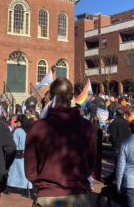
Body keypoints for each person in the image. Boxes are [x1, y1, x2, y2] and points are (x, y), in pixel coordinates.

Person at [25, 78, 96, 206]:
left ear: (51, 97)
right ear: (71, 97)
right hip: (77, 195)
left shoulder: (37, 128)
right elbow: (91, 163)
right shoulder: (86, 126)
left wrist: (44, 184)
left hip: (48, 196)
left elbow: (30, 169)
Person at [6, 114, 32, 197]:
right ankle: (26, 190)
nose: (16, 123)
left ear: (20, 122)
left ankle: (9, 188)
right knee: (24, 173)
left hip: (17, 154)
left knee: (13, 173)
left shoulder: (17, 131)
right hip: (26, 155)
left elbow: (14, 143)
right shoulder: (27, 130)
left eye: (17, 122)